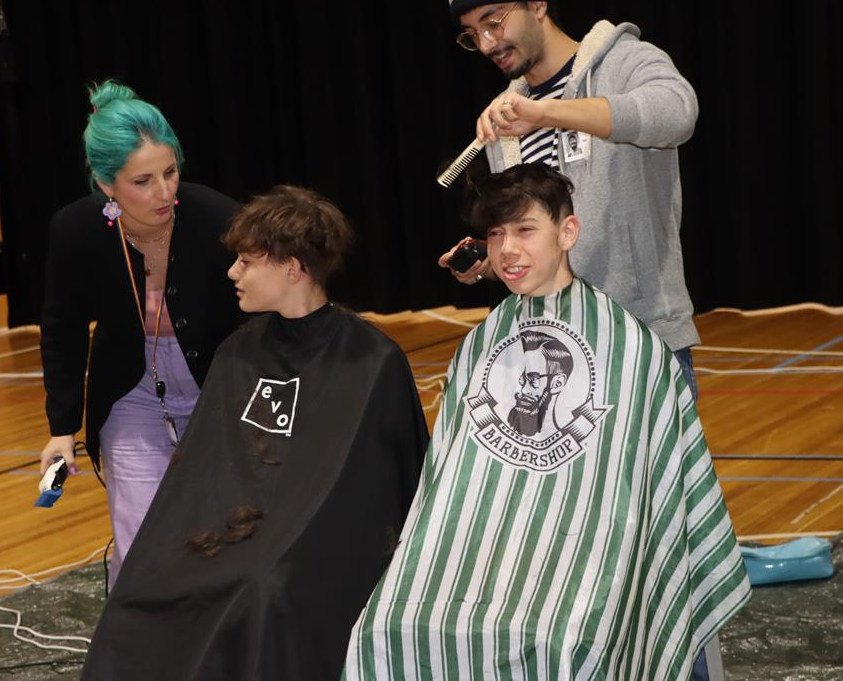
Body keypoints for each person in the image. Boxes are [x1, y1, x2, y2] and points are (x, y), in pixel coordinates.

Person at [346, 164, 749, 680]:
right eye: (495, 234)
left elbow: (654, 498)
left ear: (568, 233)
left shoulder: (630, 348)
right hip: (483, 554)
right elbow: (445, 481)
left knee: (563, 643)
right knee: (384, 627)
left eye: (525, 230)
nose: (507, 249)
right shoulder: (480, 346)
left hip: (585, 563)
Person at [81, 186, 430, 680]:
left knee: (260, 587)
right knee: (141, 581)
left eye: (246, 262)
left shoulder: (372, 362)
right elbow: (205, 471)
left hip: (319, 546)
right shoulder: (238, 353)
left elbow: (381, 491)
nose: (232, 273)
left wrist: (280, 538)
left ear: (292, 268)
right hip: (238, 529)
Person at [438, 0, 700, 393]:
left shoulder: (624, 61)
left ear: (538, 4)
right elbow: (549, 234)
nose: (486, 43)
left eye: (493, 22)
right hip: (556, 348)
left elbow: (677, 113)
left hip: (643, 337)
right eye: (472, 34)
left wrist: (550, 113)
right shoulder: (505, 114)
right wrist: (496, 257)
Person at [37, 80, 242, 587]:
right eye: (142, 181)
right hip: (130, 391)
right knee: (141, 542)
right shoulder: (75, 230)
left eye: (170, 173)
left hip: (216, 383)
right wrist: (61, 428)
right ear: (107, 185)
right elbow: (61, 329)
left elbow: (258, 315)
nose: (165, 193)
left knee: (229, 530)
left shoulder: (218, 216)